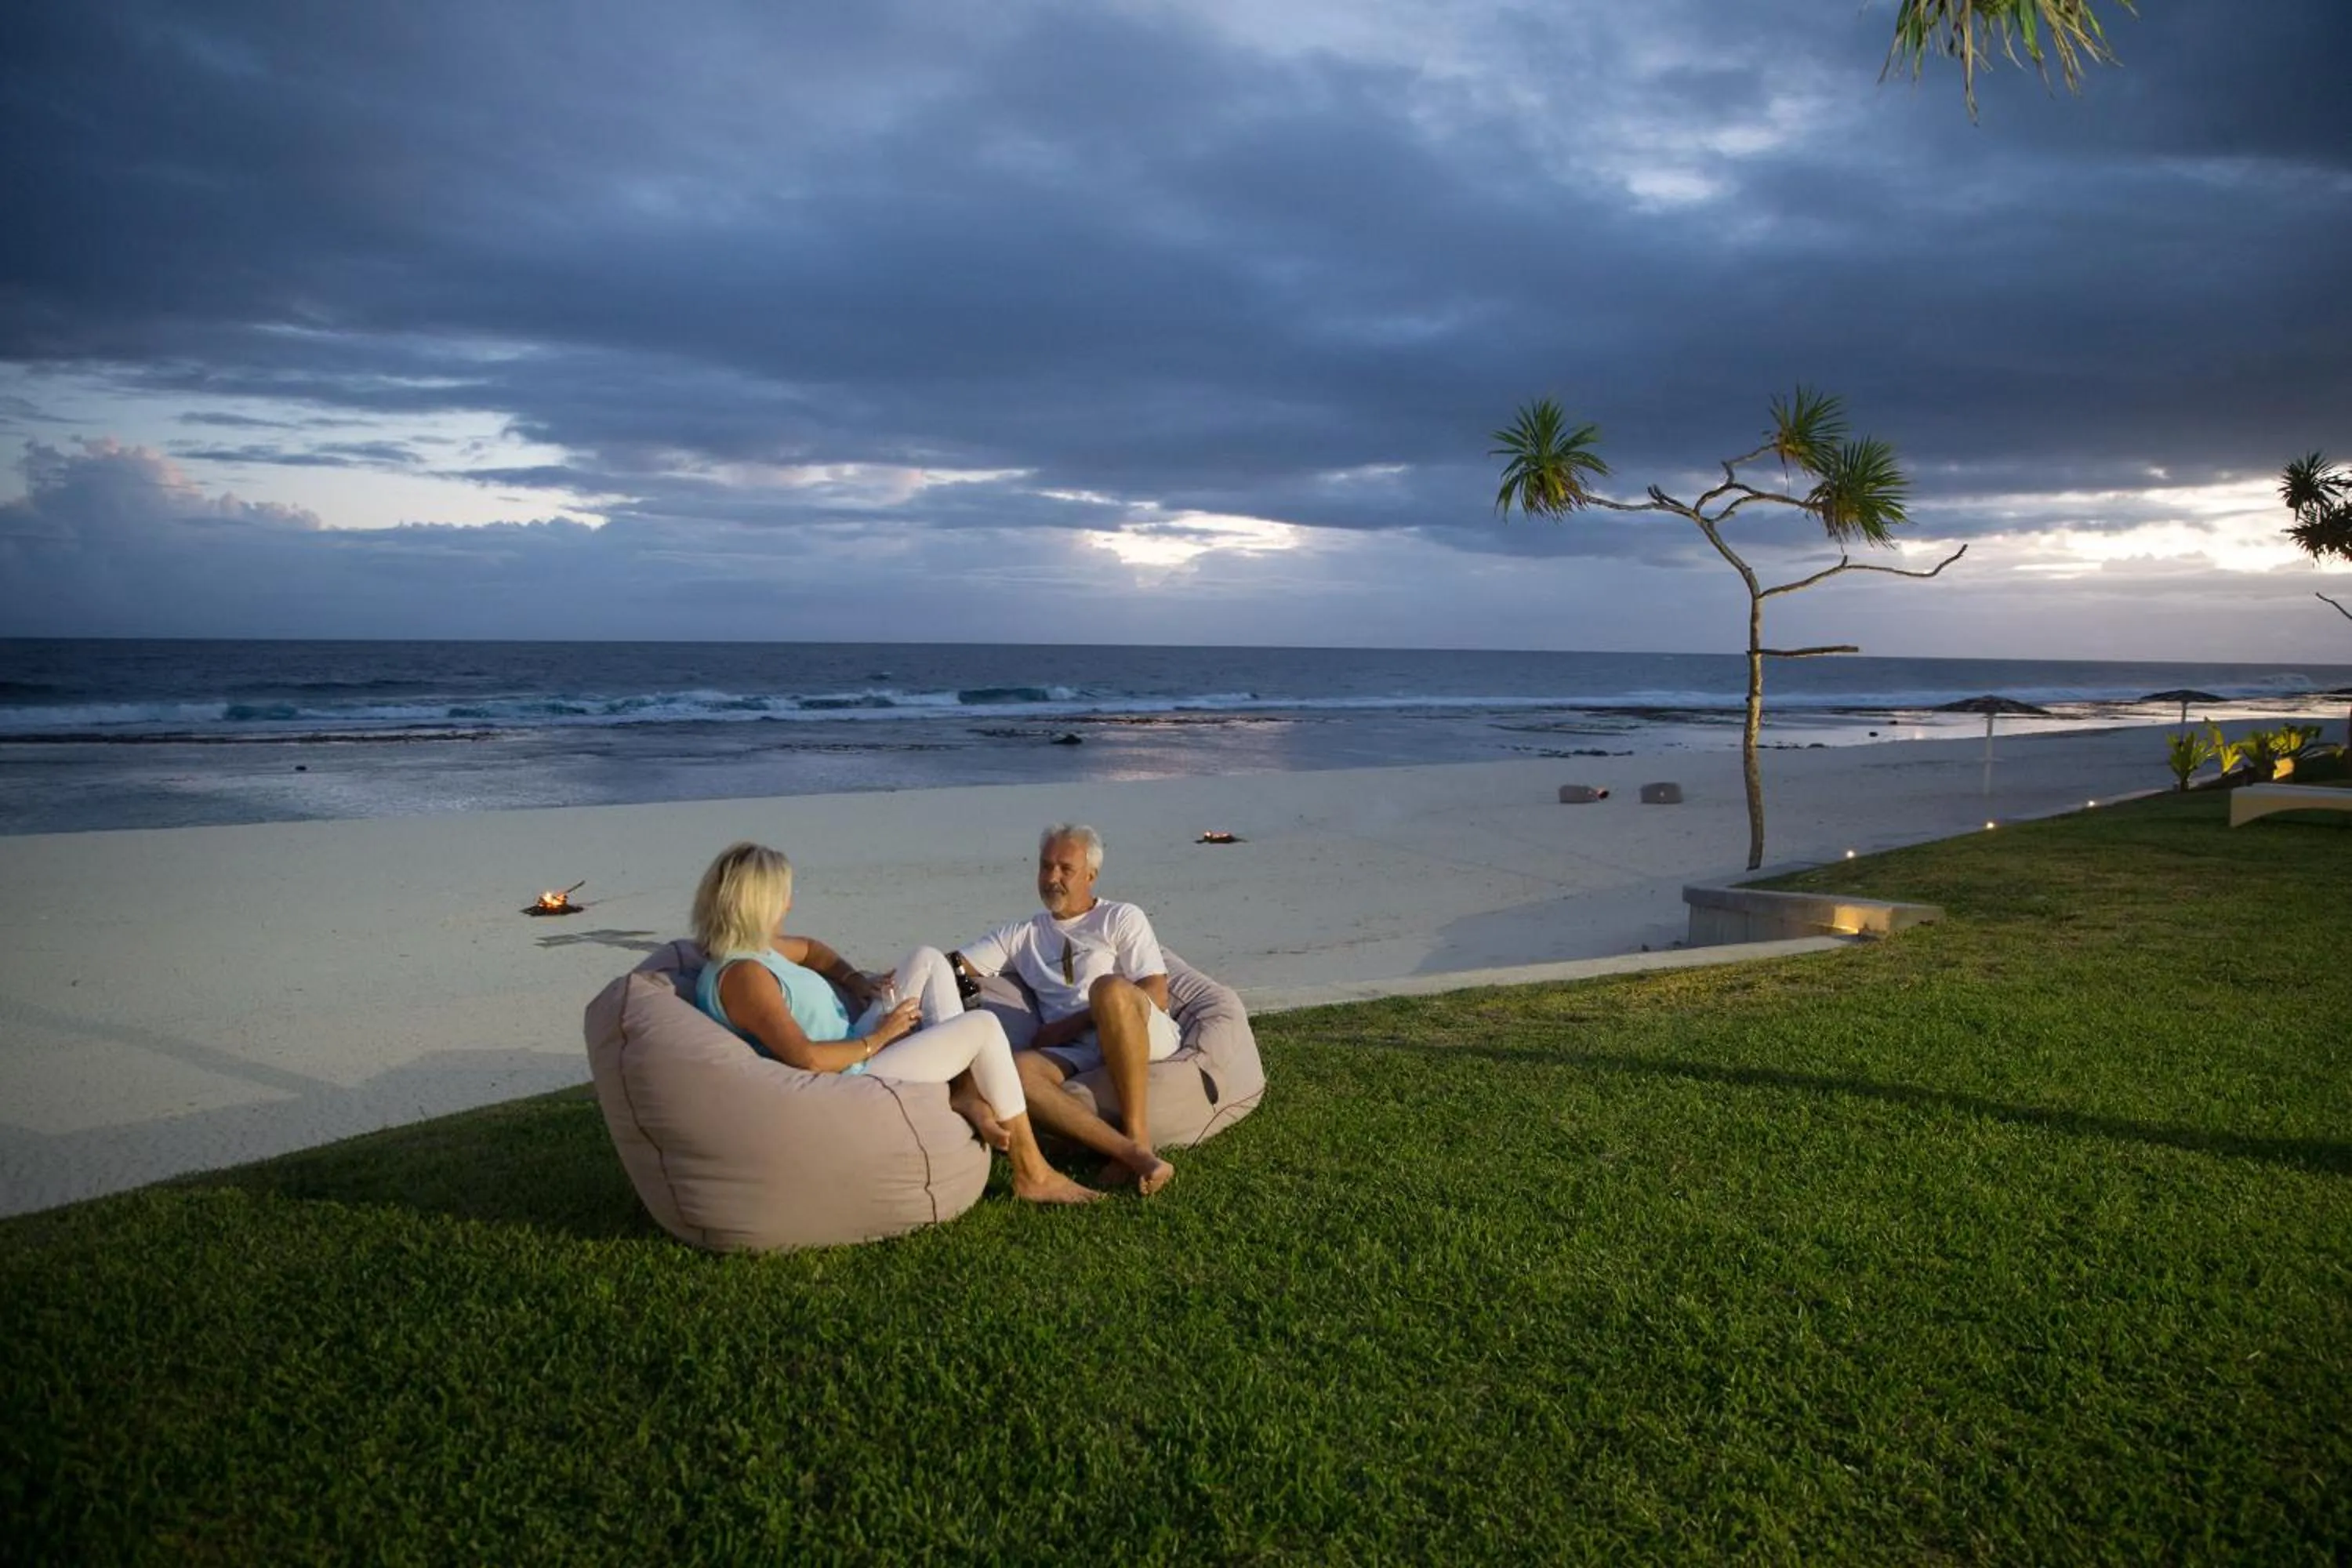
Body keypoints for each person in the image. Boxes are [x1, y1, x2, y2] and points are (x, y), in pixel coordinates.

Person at [688, 841, 1098, 1207]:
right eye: (783, 897)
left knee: (927, 958)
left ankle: (963, 1091)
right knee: (984, 1027)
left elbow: (813, 950)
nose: (790, 905)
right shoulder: (745, 977)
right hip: (848, 1075)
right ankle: (1032, 1173)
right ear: (758, 904)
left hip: (851, 1043)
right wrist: (880, 1037)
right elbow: (808, 1057)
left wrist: (855, 981)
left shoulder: (756, 947)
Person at [952, 824, 1178, 1196]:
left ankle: (1138, 1133)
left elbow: (1157, 992)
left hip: (1137, 1030)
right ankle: (1129, 1153)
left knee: (1107, 990)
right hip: (1079, 1051)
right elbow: (956, 963)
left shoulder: (1120, 917)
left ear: (1091, 875)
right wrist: (903, 974)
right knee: (1016, 1072)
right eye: (1045, 867)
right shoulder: (1022, 935)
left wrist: (1073, 1022)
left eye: (1065, 869)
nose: (1052, 878)